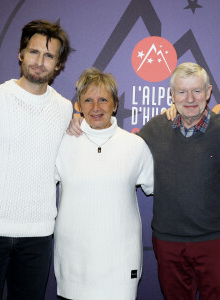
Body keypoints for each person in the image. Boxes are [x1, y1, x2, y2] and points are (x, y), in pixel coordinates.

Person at [67, 62, 220, 300]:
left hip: (216, 241)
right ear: (171, 95)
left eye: (196, 90)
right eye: (182, 91)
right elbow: (116, 148)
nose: (190, 98)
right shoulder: (155, 128)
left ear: (208, 92)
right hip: (168, 242)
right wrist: (79, 124)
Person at [54, 68, 154, 300]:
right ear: (78, 104)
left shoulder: (135, 146)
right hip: (74, 262)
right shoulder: (63, 142)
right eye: (88, 100)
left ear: (115, 104)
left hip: (120, 263)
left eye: (103, 100)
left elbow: (159, 188)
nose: (95, 107)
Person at [0, 20, 72, 299]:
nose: (40, 62)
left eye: (49, 55)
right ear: (20, 54)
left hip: (38, 235)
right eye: (34, 52)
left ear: (58, 65)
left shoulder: (65, 109)